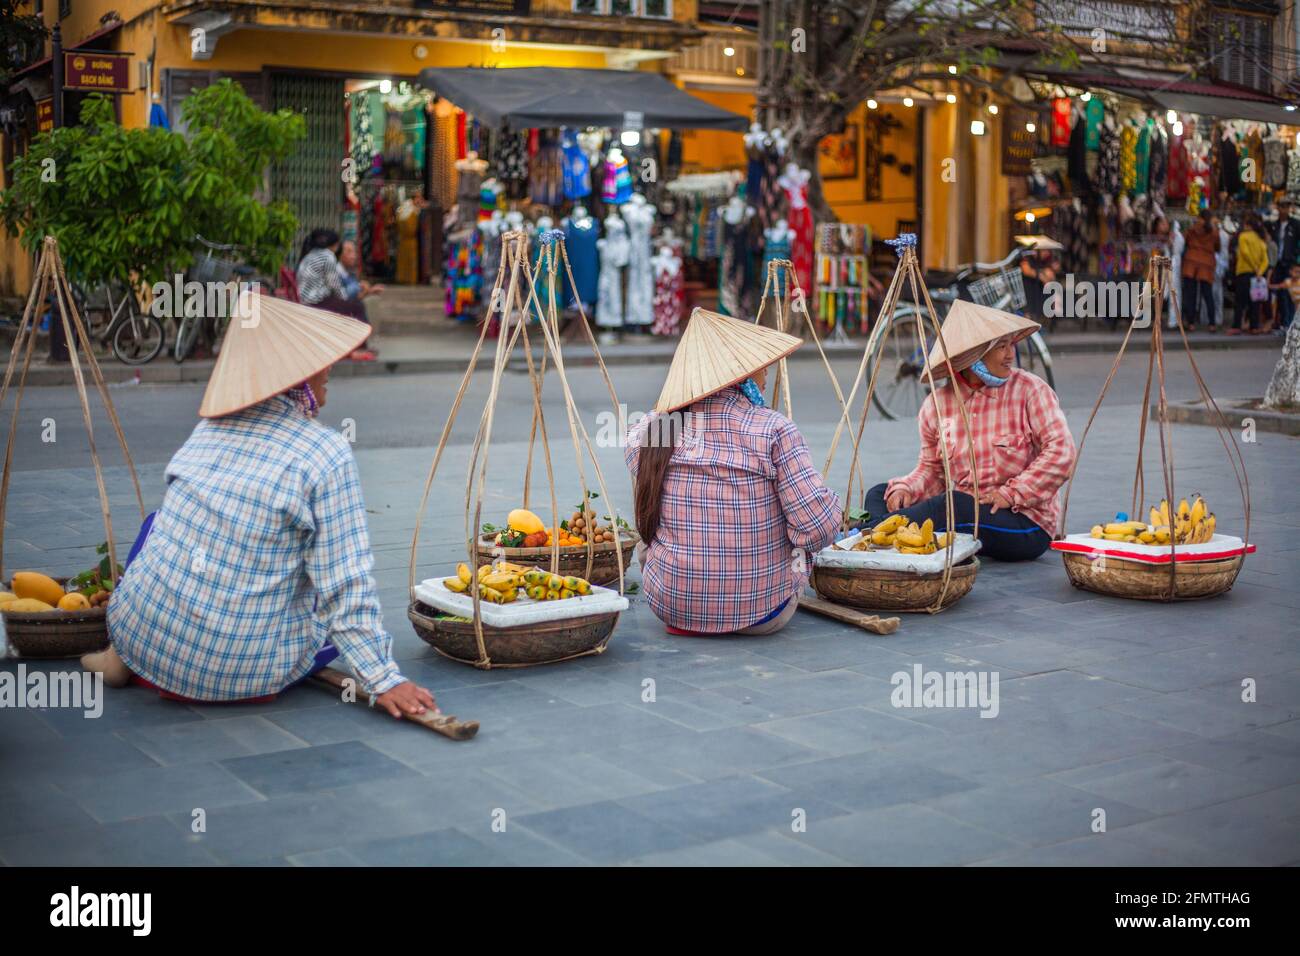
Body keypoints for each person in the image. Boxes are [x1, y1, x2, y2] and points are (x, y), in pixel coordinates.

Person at [82, 295, 435, 719]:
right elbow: (344, 585)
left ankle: (115, 654)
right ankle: (142, 654)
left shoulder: (207, 430)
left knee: (155, 525)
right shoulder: (325, 451)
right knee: (325, 605)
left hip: (144, 641)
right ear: (296, 378)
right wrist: (384, 678)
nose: (331, 370)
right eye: (320, 361)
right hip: (243, 672)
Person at [625, 308, 841, 636]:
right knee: (801, 526)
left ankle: (690, 593)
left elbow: (639, 450)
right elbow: (816, 530)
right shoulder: (774, 428)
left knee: (649, 531)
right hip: (765, 613)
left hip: (671, 606)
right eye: (758, 366)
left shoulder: (653, 431)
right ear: (738, 376)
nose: (766, 374)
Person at [865, 300, 1076, 562]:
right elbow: (931, 470)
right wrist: (907, 490)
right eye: (1000, 346)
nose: (1010, 354)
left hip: (1024, 522)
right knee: (878, 493)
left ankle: (869, 536)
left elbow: (1062, 453)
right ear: (971, 356)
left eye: (1011, 344)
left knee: (954, 505)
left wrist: (1011, 494)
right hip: (967, 510)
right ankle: (880, 531)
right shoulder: (936, 404)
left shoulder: (1031, 390)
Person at [1230, 214, 1270, 335]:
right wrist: (1259, 271)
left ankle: (1237, 326)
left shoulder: (1243, 236)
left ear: (1248, 226)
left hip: (1244, 272)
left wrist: (1254, 267)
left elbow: (1245, 253)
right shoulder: (1260, 239)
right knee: (1255, 301)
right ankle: (1254, 326)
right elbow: (1266, 260)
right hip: (1257, 275)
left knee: (1240, 301)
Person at [1181, 210, 1218, 330]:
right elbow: (1218, 247)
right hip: (1206, 263)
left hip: (1191, 262)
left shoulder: (1192, 229)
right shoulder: (1213, 231)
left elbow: (1184, 241)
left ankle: (1191, 323)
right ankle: (1212, 323)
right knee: (1208, 294)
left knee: (1191, 294)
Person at [1272, 199, 1300, 328]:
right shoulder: (1275, 225)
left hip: (1290, 263)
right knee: (1280, 293)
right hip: (1278, 263)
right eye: (1281, 206)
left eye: (1286, 206)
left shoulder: (1295, 224)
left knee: (1291, 295)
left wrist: (1295, 257)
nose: (1284, 209)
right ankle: (1284, 322)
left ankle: (1290, 323)